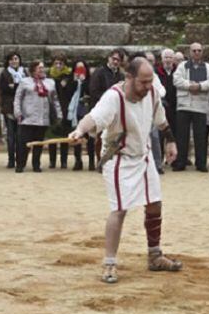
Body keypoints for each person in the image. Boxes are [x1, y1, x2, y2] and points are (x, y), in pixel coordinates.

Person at [67, 57, 181, 284]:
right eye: (143, 82)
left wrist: (170, 141)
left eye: (151, 81)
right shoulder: (113, 97)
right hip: (119, 158)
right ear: (129, 77)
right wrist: (79, 131)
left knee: (155, 203)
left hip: (144, 155)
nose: (148, 86)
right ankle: (109, 264)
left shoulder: (152, 93)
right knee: (119, 210)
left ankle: (155, 255)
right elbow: (93, 118)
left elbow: (162, 121)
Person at [172, 42, 209, 172]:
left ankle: (201, 163)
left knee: (201, 137)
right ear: (190, 52)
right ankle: (181, 162)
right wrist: (190, 85)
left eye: (199, 50)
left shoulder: (208, 67)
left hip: (200, 106)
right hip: (183, 106)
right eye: (194, 50)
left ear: (202, 52)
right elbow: (177, 80)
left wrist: (200, 86)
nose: (197, 53)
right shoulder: (182, 66)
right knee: (182, 136)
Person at [14, 60, 61, 173]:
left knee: (39, 143)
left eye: (42, 67)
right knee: (23, 143)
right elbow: (18, 98)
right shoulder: (25, 82)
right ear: (33, 69)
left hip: (43, 118)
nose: (42, 70)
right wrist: (18, 112)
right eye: (39, 68)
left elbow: (55, 100)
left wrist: (59, 114)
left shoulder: (50, 82)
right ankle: (20, 164)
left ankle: (36, 164)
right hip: (27, 117)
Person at [65, 59, 93, 170]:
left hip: (87, 110)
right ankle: (78, 160)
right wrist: (75, 81)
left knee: (90, 137)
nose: (80, 71)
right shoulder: (71, 80)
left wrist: (84, 82)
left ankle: (91, 161)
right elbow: (68, 93)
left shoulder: (90, 80)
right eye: (78, 68)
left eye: (82, 68)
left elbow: (91, 92)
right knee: (76, 136)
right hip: (75, 111)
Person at [0, 52, 26, 169]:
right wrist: (16, 87)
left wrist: (14, 86)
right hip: (9, 107)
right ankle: (11, 160)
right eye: (12, 59)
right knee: (11, 136)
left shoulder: (25, 72)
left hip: (23, 107)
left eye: (16, 59)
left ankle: (20, 159)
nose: (14, 61)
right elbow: (4, 89)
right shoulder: (4, 73)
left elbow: (25, 88)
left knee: (21, 135)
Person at [48, 54, 73, 169]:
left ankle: (64, 161)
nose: (58, 66)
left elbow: (71, 93)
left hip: (65, 108)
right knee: (52, 136)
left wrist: (65, 86)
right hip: (52, 109)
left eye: (61, 63)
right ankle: (52, 161)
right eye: (56, 63)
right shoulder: (49, 76)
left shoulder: (68, 76)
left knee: (64, 136)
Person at [156, 49, 178, 135]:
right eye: (166, 57)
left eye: (170, 57)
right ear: (162, 59)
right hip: (161, 106)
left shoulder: (178, 72)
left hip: (175, 107)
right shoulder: (156, 72)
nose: (168, 60)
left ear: (174, 59)